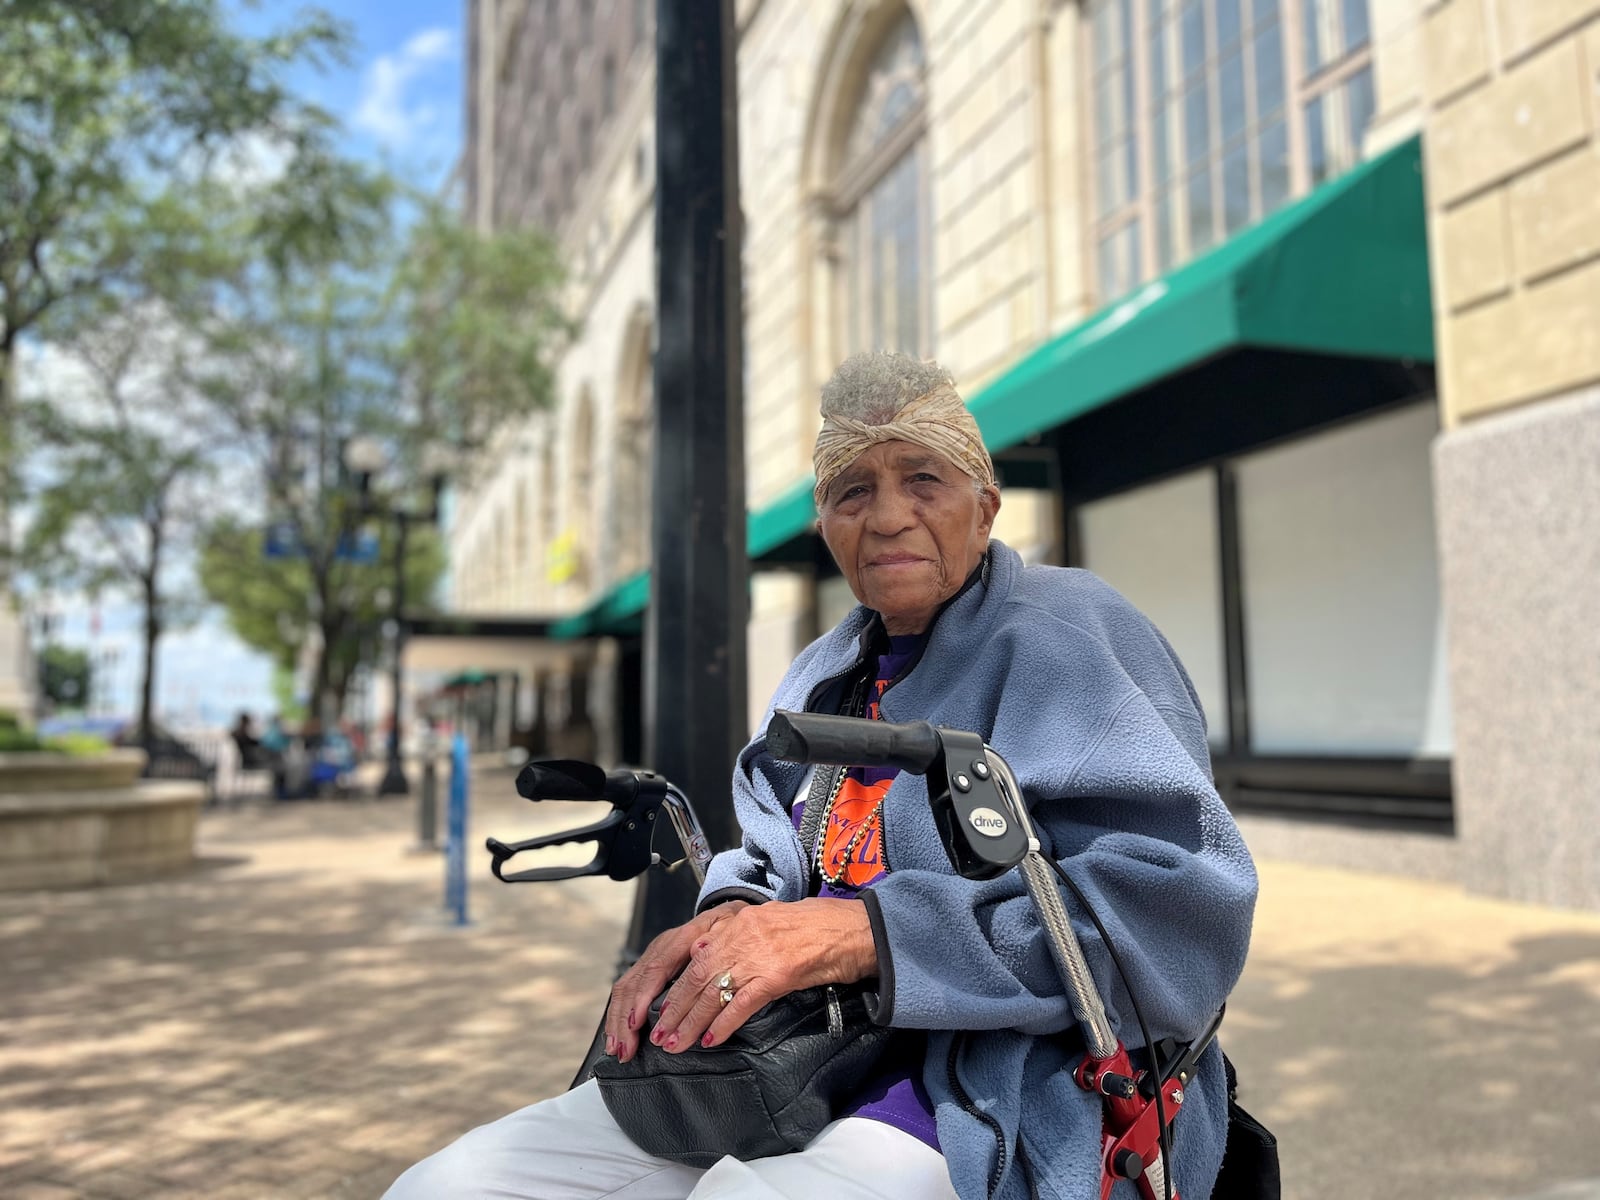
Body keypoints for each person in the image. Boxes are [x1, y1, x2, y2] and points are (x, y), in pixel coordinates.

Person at [384, 351, 1258, 1200]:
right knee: (445, 1186)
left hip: (1000, 1082)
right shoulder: (821, 671)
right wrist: (721, 927)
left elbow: (1184, 921)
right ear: (826, 527)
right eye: (853, 492)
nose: (886, 517)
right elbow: (767, 860)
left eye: (924, 480)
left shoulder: (1072, 637)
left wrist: (861, 936)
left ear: (985, 508)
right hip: (800, 1059)